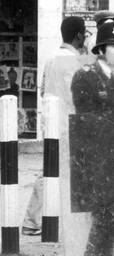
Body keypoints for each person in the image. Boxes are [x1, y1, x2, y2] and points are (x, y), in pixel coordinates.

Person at [70, 19, 114, 256]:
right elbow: (84, 119)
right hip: (94, 155)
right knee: (101, 215)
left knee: (111, 215)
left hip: (113, 155)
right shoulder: (86, 75)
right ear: (102, 49)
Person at [23, 16, 91, 236]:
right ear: (78, 35)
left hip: (51, 124)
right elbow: (78, 96)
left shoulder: (51, 58)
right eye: (85, 34)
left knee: (50, 170)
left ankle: (34, 220)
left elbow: (43, 90)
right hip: (70, 124)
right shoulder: (74, 61)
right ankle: (76, 222)